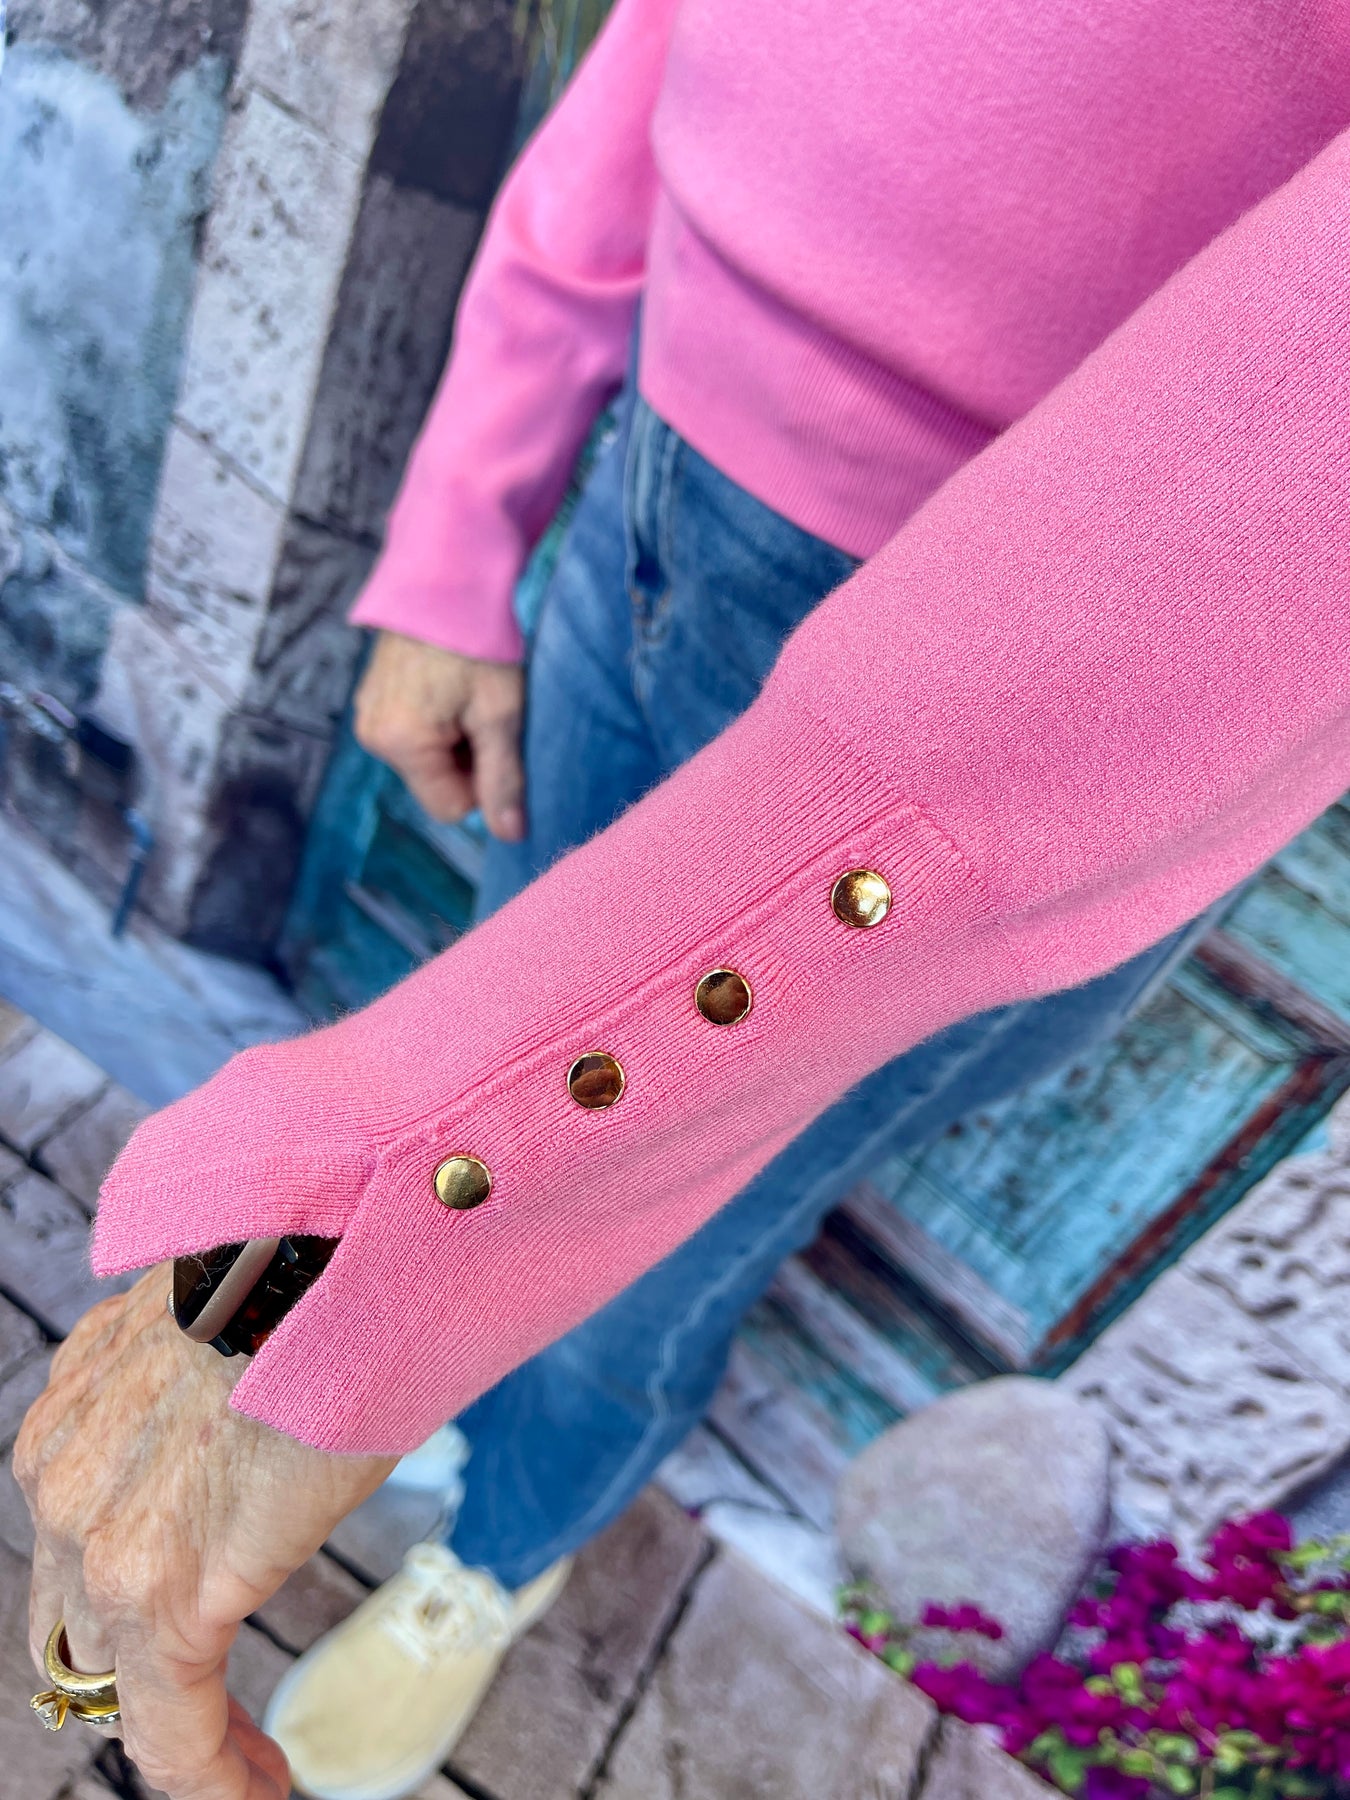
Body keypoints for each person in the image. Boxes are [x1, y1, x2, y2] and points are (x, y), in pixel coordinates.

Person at [16, 0, 1350, 1796]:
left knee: (655, 1262)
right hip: (656, 475)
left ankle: (501, 1558)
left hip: (1043, 706)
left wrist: (403, 1193)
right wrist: (469, 511)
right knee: (523, 991)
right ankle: (466, 1434)